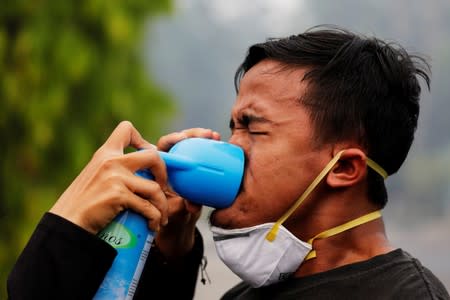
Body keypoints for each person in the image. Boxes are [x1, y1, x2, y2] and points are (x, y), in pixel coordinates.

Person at [7, 26, 450, 299]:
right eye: (232, 126)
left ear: (342, 169)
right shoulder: (247, 295)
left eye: (253, 128)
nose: (230, 147)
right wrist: (164, 253)